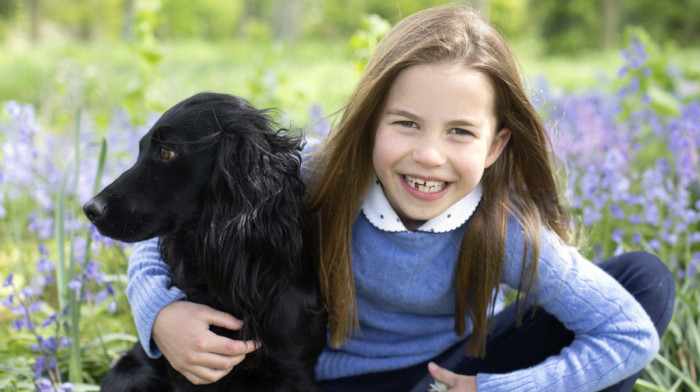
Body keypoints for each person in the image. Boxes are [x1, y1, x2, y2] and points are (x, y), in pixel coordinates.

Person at [125, 5, 675, 392]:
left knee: (644, 279)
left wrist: (505, 387)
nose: (429, 156)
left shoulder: (503, 225)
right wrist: (161, 315)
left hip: (453, 373)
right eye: (406, 124)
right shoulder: (321, 173)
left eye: (460, 132)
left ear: (495, 145)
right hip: (337, 382)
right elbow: (169, 212)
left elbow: (628, 334)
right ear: (370, 123)